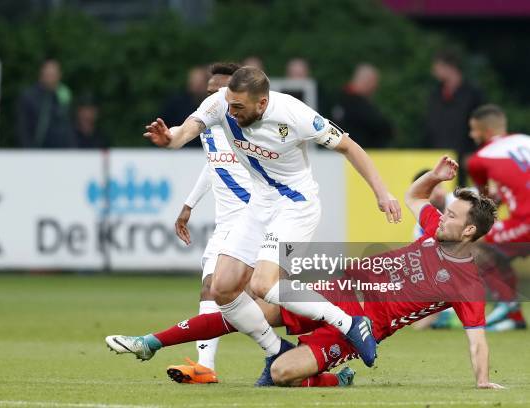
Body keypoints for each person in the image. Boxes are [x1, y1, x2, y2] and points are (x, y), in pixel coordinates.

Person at [109, 67, 401, 386]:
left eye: (239, 108)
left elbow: (349, 147)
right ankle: (275, 350)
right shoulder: (222, 102)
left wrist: (381, 192)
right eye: (229, 105)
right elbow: (186, 130)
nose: (231, 113)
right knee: (222, 289)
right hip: (259, 204)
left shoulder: (294, 113)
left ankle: (349, 323)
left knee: (263, 285)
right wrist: (170, 139)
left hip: (295, 205)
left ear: (262, 104)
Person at [106, 156, 503, 389]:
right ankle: (151, 341)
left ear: (468, 231)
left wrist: (483, 381)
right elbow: (416, 195)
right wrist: (435, 176)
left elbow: (477, 340)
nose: (440, 216)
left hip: (358, 325)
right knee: (244, 310)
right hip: (335, 289)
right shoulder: (435, 231)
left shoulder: (468, 283)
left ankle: (333, 377)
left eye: (451, 215)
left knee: (281, 374)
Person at [168, 62, 251, 384]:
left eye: (220, 91)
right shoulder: (208, 125)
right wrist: (189, 205)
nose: (213, 97)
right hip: (228, 224)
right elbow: (213, 165)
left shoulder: (251, 127)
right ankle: (205, 367)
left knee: (272, 296)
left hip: (259, 218)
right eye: (209, 92)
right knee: (210, 289)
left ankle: (334, 336)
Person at [466, 104, 529, 331]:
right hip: (523, 219)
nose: (472, 135)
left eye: (473, 130)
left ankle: (509, 311)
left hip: (527, 221)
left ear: (484, 131)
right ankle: (512, 313)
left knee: (474, 244)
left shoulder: (479, 159)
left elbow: (484, 204)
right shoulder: (525, 140)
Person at [424, 49, 484, 185]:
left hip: (464, 155)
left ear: (450, 67)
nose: (434, 72)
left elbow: (479, 123)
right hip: (439, 154)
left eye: (437, 67)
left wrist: (474, 152)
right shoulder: (435, 94)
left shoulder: (472, 93)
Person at [15, 59, 75, 148]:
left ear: (59, 75)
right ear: (41, 75)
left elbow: (69, 125)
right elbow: (22, 128)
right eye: (48, 74)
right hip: (36, 152)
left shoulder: (65, 94)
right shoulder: (29, 96)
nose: (50, 77)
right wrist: (28, 150)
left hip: (61, 152)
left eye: (53, 74)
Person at [330, 64, 393, 148]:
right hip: (361, 153)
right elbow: (380, 126)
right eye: (374, 82)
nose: (376, 87)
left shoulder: (336, 98)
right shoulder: (358, 103)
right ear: (367, 81)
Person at [159, 66, 209, 148]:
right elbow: (164, 127)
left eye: (200, 83)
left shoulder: (212, 104)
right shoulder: (176, 103)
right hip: (178, 151)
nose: (197, 86)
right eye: (194, 82)